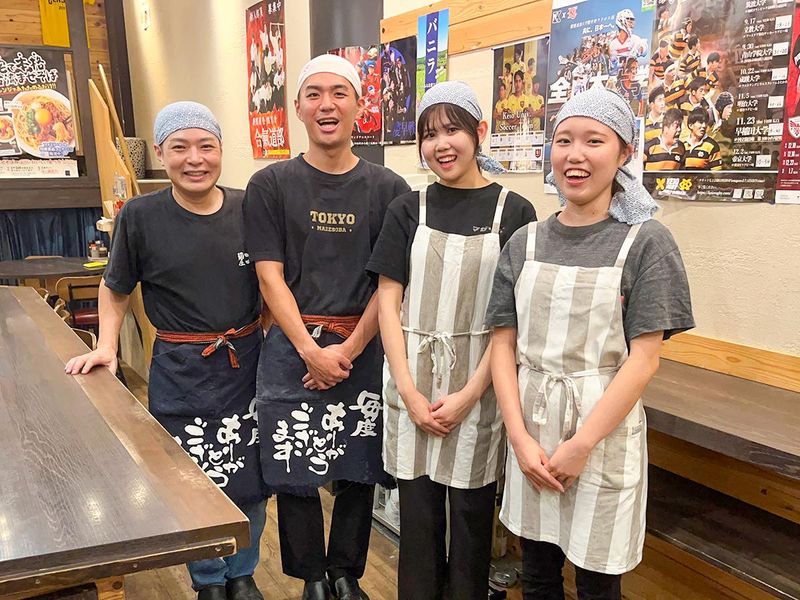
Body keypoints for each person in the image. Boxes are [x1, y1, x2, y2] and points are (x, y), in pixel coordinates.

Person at [487, 86, 694, 600]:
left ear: (624, 153)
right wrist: (519, 437)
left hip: (602, 433)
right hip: (532, 426)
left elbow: (644, 360)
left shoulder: (646, 242)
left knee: (598, 581)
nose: (574, 155)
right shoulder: (525, 241)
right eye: (563, 140)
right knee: (537, 574)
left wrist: (581, 445)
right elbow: (502, 345)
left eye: (594, 141)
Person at [65, 102, 267, 600]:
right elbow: (115, 286)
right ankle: (209, 580)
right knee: (188, 477)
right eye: (180, 147)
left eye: (206, 146)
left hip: (247, 363)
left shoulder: (251, 207)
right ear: (160, 153)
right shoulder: (140, 215)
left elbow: (274, 284)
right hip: (179, 368)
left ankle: (242, 573)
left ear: (221, 150)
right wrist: (106, 346)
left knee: (250, 476)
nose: (195, 159)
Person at [242, 54, 409, 600]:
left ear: (360, 106)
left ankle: (345, 573)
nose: (327, 105)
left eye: (340, 93)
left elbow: (389, 282)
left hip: (365, 341)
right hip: (293, 345)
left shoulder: (388, 188)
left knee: (360, 464)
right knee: (294, 462)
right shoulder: (271, 183)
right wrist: (310, 351)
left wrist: (350, 350)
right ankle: (312, 576)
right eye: (314, 94)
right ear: (297, 107)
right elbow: (269, 275)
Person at [366, 80, 536, 600]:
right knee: (417, 523)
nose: (440, 144)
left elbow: (510, 321)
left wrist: (469, 393)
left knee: (471, 521)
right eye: (429, 134)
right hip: (412, 380)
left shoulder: (515, 211)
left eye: (452, 130)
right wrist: (409, 391)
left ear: (479, 132)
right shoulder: (407, 208)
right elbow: (388, 303)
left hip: (480, 385)